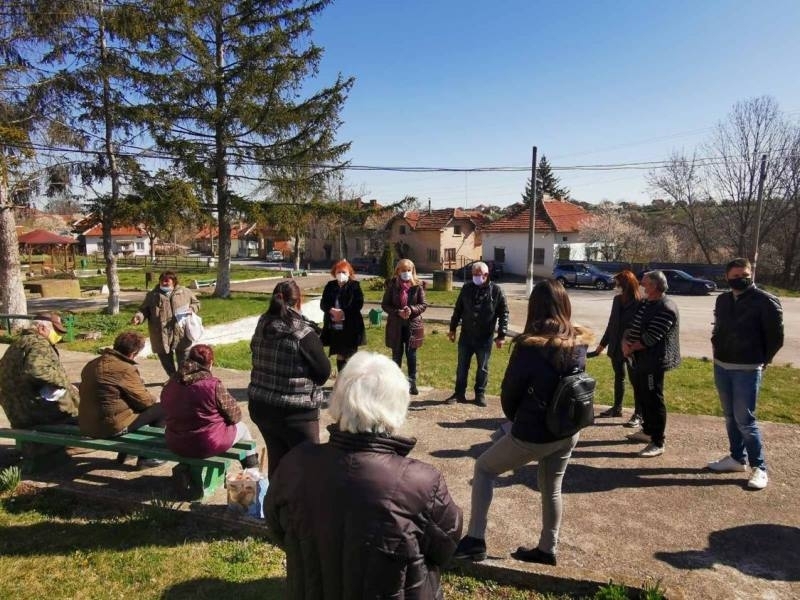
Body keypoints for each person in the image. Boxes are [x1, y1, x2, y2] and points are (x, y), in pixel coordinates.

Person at [264, 351, 462, 599]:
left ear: (338, 400)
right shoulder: (421, 482)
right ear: (397, 405)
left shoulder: (295, 464)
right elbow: (445, 547)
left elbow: (277, 526)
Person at [453, 280, 593, 566]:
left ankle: (475, 541)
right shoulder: (578, 344)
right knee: (552, 488)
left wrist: (514, 423)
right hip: (567, 429)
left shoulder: (530, 347)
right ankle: (547, 548)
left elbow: (510, 394)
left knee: (484, 468)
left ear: (535, 308)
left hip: (534, 433)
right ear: (564, 305)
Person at [707, 258, 783, 490]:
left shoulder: (765, 301)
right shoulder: (723, 299)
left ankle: (759, 468)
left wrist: (762, 359)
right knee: (730, 417)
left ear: (751, 274)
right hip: (722, 365)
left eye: (745, 274)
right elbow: (718, 327)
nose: (741, 278)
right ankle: (736, 458)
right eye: (736, 275)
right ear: (727, 277)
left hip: (747, 369)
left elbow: (775, 338)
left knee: (746, 421)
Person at [248, 280, 331, 478]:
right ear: (299, 300)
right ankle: (304, 506)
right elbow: (323, 373)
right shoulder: (303, 333)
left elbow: (254, 350)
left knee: (277, 461)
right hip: (296, 414)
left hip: (261, 406)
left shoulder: (263, 324)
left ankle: (276, 505)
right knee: (309, 469)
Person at [161, 344, 258, 469]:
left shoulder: (171, 383)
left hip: (175, 443)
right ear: (210, 363)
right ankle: (252, 472)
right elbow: (235, 417)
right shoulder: (213, 386)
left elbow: (166, 408)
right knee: (243, 428)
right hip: (207, 445)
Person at [78, 331, 165, 469]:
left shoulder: (92, 363)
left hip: (87, 423)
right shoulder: (125, 369)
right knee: (162, 409)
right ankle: (149, 456)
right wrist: (155, 398)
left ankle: (127, 452)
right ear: (134, 352)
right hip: (108, 427)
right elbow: (145, 401)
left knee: (125, 405)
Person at [622, 270, 680, 458]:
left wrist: (631, 348)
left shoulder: (666, 307)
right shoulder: (647, 302)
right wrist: (625, 341)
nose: (642, 286)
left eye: (645, 283)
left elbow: (651, 337)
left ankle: (658, 441)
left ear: (655, 285)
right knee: (643, 395)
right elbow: (633, 325)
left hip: (654, 360)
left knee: (654, 399)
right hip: (640, 358)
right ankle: (647, 432)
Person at [0, 312, 80, 429]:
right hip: (34, 411)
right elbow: (36, 370)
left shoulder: (18, 343)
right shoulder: (39, 343)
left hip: (15, 410)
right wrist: (65, 383)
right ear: (41, 328)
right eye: (56, 331)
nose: (58, 336)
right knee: (80, 412)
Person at [446, 260, 508, 407]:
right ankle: (459, 393)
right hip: (466, 336)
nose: (475, 277)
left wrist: (501, 335)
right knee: (462, 366)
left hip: (485, 338)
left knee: (483, 367)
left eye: (478, 274)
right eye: (473, 274)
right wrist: (452, 329)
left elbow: (504, 313)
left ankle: (480, 394)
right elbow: (458, 310)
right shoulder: (466, 288)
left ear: (486, 275)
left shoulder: (496, 291)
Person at [592, 270, 643, 422]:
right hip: (615, 347)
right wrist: (602, 345)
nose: (616, 285)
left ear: (625, 284)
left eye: (618, 283)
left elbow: (641, 327)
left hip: (631, 348)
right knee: (618, 377)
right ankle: (617, 408)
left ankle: (638, 414)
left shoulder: (641, 302)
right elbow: (611, 324)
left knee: (635, 381)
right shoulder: (617, 300)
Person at [131, 270, 200, 377]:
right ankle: (172, 378)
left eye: (167, 280)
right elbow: (144, 310)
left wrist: (192, 308)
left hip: (181, 332)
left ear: (174, 281)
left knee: (184, 358)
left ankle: (183, 378)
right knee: (165, 357)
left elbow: (196, 303)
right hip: (160, 333)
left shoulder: (185, 292)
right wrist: (138, 317)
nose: (164, 283)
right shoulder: (152, 295)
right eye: (161, 280)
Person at [381, 258, 427, 395]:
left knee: (411, 355)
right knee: (397, 354)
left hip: (413, 325)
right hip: (396, 325)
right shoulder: (392, 285)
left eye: (409, 270)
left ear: (412, 271)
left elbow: (423, 304)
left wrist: (411, 310)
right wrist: (397, 312)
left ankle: (412, 384)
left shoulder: (418, 286)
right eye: (403, 270)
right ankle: (396, 383)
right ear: (398, 271)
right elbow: (385, 305)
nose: (406, 273)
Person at [320, 259, 366, 375]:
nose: (341, 274)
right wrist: (331, 310)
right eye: (338, 272)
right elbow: (323, 303)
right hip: (335, 326)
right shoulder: (330, 286)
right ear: (334, 273)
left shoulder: (354, 286)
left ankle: (350, 380)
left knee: (350, 355)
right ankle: (341, 379)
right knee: (340, 354)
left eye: (344, 272)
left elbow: (358, 304)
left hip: (351, 326)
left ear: (349, 273)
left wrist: (343, 313)